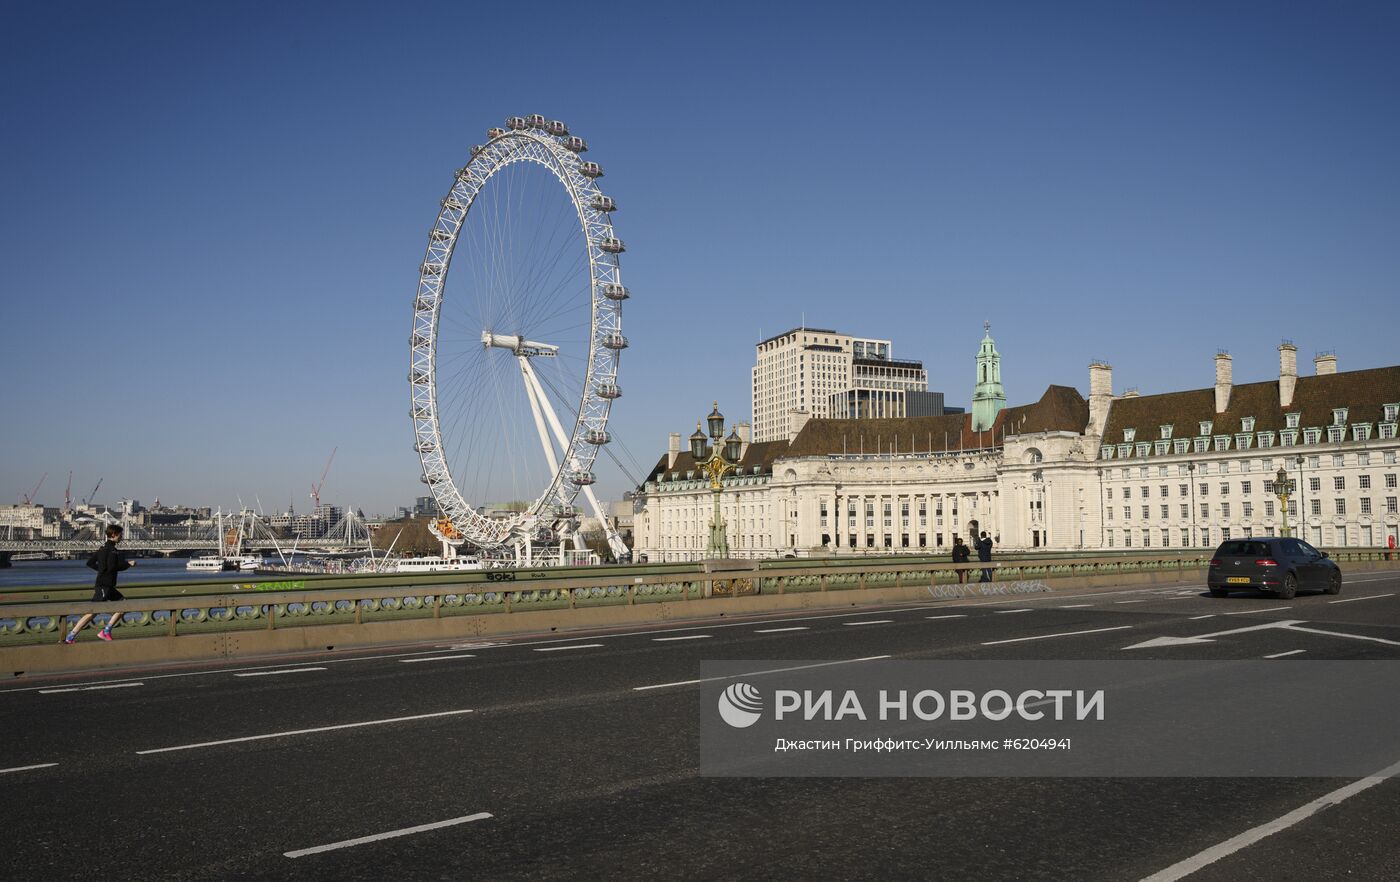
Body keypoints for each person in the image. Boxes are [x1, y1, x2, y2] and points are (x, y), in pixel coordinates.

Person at [65, 524, 134, 644]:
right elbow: (113, 567)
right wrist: (128, 564)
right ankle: (71, 636)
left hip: (107, 586)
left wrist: (101, 570)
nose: (121, 537)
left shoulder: (102, 549)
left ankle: (106, 631)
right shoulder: (113, 551)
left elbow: (90, 563)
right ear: (114, 535)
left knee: (124, 605)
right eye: (120, 535)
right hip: (104, 586)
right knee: (92, 612)